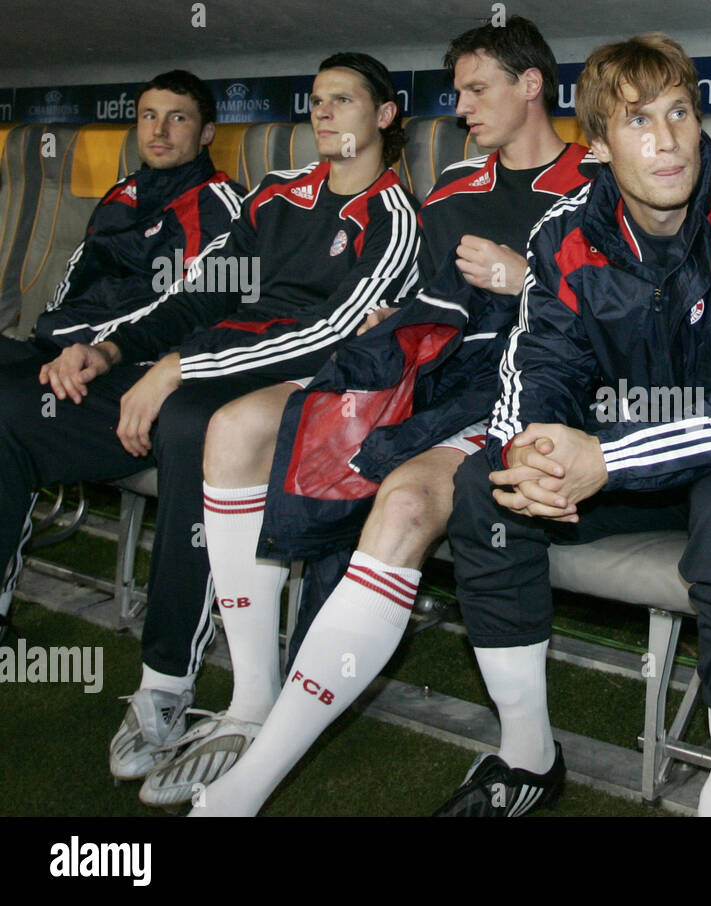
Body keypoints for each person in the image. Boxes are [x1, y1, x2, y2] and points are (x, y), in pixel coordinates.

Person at [177, 17, 598, 815]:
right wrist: (396, 321)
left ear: (532, 85)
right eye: (460, 90)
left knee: (404, 497)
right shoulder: (451, 193)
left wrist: (527, 279)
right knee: (251, 426)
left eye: (479, 89)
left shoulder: (596, 185)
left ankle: (244, 788)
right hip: (439, 376)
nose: (463, 105)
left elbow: (625, 319)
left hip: (542, 395)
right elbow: (421, 298)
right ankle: (253, 699)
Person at [436, 33, 711, 818]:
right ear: (597, 144)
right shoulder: (565, 232)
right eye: (636, 123)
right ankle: (527, 756)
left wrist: (608, 461)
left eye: (679, 114)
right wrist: (533, 447)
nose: (665, 142)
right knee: (485, 490)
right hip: (627, 451)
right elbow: (538, 362)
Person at [0, 51, 420, 788]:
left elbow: (334, 330)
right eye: (317, 100)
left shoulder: (393, 216)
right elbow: (201, 292)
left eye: (344, 100)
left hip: (284, 390)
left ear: (384, 116)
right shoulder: (278, 194)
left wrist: (180, 370)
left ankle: (165, 683)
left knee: (193, 424)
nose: (323, 112)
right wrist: (114, 349)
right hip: (196, 367)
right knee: (12, 413)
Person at [0, 70, 243, 646]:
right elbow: (73, 284)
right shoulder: (122, 194)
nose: (158, 130)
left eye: (178, 117)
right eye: (148, 116)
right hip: (62, 349)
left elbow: (184, 310)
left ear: (207, 131)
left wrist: (89, 349)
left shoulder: (222, 205)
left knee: (8, 410)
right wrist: (54, 338)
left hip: (129, 371)